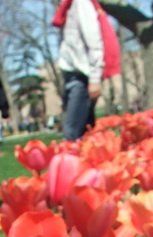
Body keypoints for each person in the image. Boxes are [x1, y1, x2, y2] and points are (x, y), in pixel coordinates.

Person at [53, 0, 104, 141]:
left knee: (71, 137)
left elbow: (94, 42)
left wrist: (95, 78)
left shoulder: (81, 3)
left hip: (82, 78)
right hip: (70, 77)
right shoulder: (66, 7)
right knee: (85, 136)